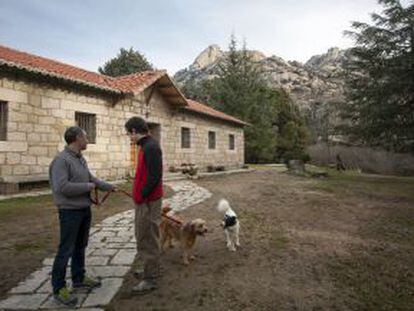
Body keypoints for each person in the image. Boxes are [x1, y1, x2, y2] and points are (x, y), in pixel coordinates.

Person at [49, 126, 114, 306]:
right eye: (86, 137)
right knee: (65, 249)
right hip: (69, 211)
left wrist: (108, 186)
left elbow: (91, 179)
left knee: (80, 246)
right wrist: (88, 187)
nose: (87, 140)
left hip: (84, 210)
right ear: (77, 138)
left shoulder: (80, 159)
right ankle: (59, 288)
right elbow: (62, 187)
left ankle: (79, 278)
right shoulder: (61, 161)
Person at [124, 116, 163, 294]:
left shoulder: (151, 147)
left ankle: (150, 279)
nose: (130, 138)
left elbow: (155, 176)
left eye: (129, 135)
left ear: (134, 131)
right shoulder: (146, 146)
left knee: (147, 237)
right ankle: (150, 270)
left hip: (148, 202)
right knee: (143, 236)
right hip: (144, 201)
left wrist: (142, 195)